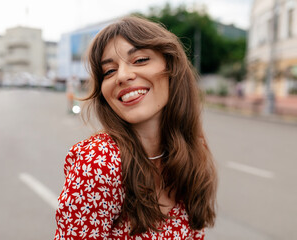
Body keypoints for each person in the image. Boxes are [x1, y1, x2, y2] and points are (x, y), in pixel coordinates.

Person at [54, 16, 217, 240]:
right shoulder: (99, 162)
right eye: (109, 71)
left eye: (140, 60)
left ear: (171, 67)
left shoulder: (191, 150)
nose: (122, 76)